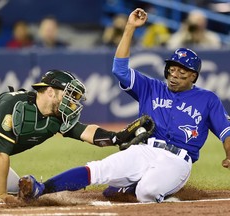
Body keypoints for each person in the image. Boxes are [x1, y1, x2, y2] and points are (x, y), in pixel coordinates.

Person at [18, 8, 230, 203]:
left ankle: (132, 189)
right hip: (144, 150)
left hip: (177, 161)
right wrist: (129, 28)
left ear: (193, 76)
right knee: (98, 169)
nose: (174, 76)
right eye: (171, 70)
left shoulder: (208, 99)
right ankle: (40, 188)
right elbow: (120, 70)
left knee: (147, 191)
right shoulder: (151, 87)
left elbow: (226, 132)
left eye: (181, 73)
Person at [0, 70, 135, 203]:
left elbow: (85, 132)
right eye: (69, 95)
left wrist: (117, 137)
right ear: (50, 91)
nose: (73, 103)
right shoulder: (16, 107)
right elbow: (1, 154)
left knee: (10, 185)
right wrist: (1, 195)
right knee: (10, 190)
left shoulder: (56, 115)